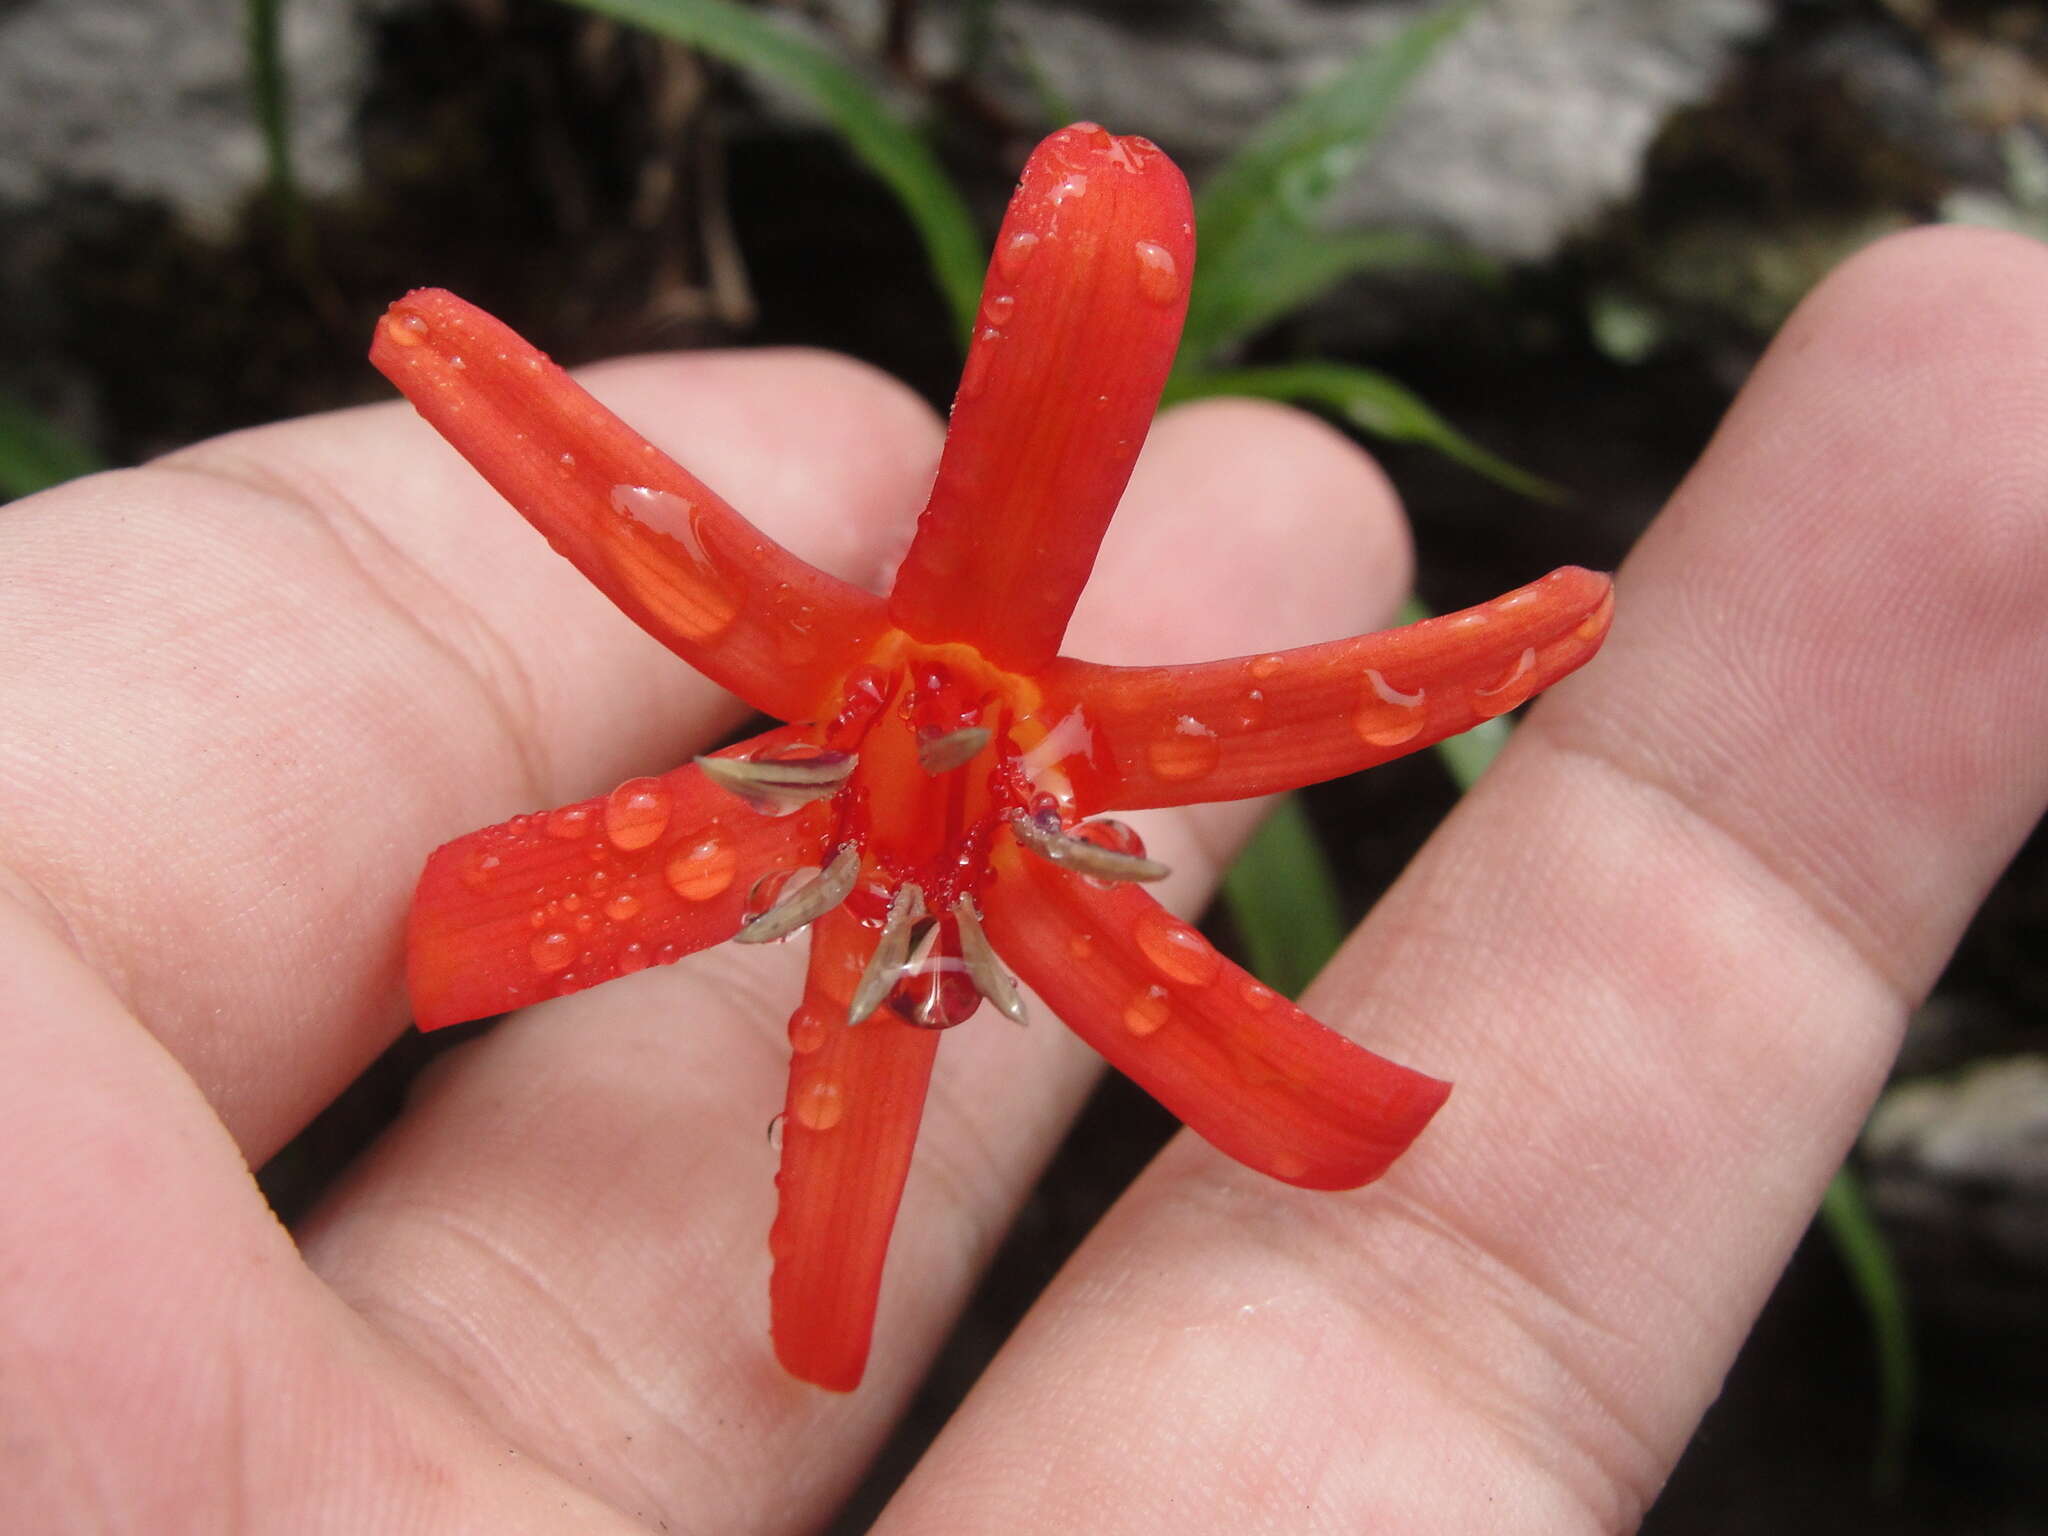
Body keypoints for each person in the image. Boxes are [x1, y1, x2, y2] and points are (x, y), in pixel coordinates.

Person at [2, 223, 2043, 1532]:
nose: (932, 802)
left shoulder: (954, 863)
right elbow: (467, 933)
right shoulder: (900, 856)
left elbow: (1303, 1068)